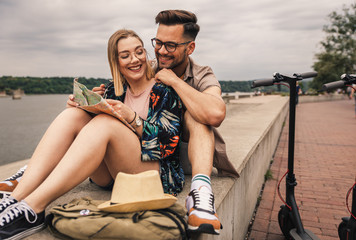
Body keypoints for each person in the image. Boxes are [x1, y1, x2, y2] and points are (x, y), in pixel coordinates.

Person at [0, 29, 183, 239]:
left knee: (106, 123)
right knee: (72, 116)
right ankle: (15, 199)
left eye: (139, 52)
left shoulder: (164, 91)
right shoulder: (114, 91)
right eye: (125, 56)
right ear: (116, 62)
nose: (134, 60)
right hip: (112, 176)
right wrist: (83, 106)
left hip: (154, 175)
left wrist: (132, 117)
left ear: (145, 54)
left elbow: (169, 145)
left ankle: (33, 209)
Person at [152, 9, 238, 235]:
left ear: (190, 48)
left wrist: (174, 82)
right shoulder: (147, 68)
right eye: (158, 42)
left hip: (188, 158)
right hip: (152, 155)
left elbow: (215, 114)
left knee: (197, 115)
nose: (161, 50)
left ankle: (200, 196)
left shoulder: (202, 74)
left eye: (170, 45)